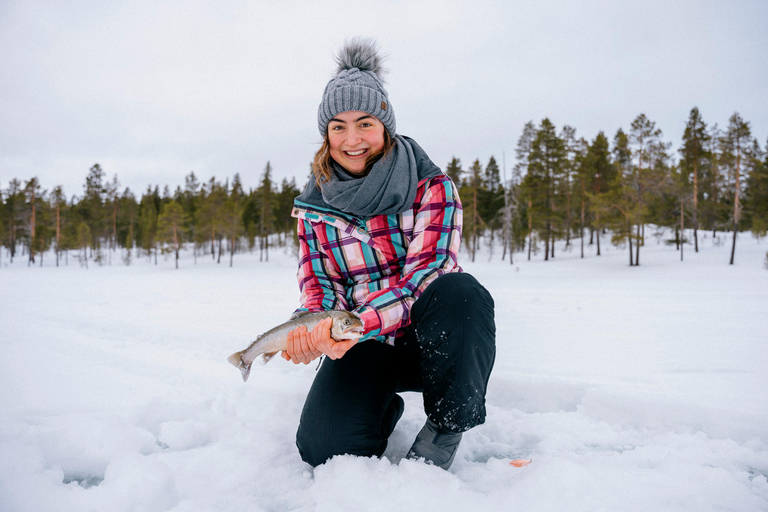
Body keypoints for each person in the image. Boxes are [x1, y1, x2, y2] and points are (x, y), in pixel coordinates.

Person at [281, 37, 496, 470]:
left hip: (425, 339)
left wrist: (354, 322)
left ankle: (445, 425)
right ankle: (378, 407)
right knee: (324, 450)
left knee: (460, 294)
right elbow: (320, 282)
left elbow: (426, 275)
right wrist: (317, 327)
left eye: (364, 123)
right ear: (326, 134)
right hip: (362, 342)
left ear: (385, 126)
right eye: (338, 126)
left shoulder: (432, 187)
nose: (352, 138)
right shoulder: (314, 205)